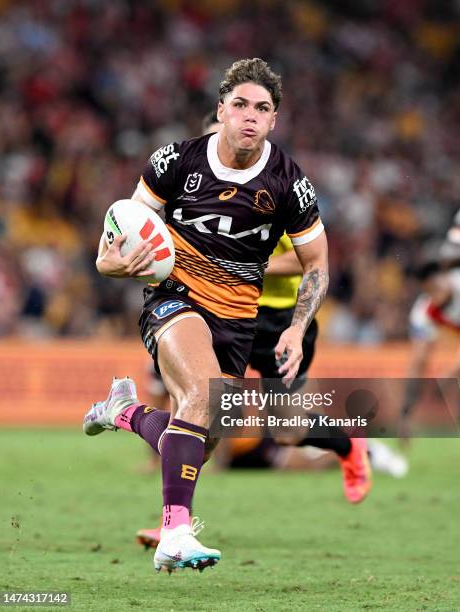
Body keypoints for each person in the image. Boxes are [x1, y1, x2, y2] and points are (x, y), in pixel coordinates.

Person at [83, 58, 370, 574]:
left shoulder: (289, 184)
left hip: (239, 321)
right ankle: (176, 532)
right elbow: (117, 238)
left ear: (274, 120)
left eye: (262, 108)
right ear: (221, 110)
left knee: (202, 429)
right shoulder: (175, 161)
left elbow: (318, 266)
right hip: (175, 301)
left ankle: (121, 412)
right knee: (200, 394)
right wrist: (112, 264)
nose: (250, 117)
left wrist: (298, 328)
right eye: (240, 105)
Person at [399, 260, 460, 440]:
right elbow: (418, 362)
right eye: (430, 291)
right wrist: (406, 413)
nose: (436, 295)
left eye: (437, 287)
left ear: (444, 276)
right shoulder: (424, 312)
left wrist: (453, 370)